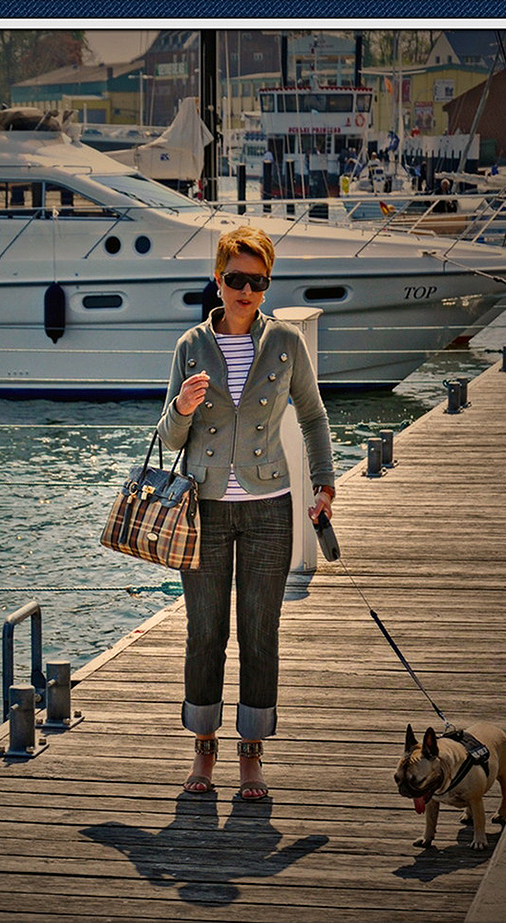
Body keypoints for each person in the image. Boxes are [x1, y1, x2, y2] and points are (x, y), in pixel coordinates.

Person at [156, 225, 335, 800]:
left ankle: (252, 753)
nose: (246, 291)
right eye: (236, 279)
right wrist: (183, 406)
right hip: (203, 510)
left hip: (268, 510)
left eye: (258, 282)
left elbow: (313, 417)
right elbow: (167, 436)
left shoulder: (285, 342)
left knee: (260, 633)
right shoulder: (190, 345)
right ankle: (204, 747)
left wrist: (325, 485)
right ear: (218, 279)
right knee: (204, 632)